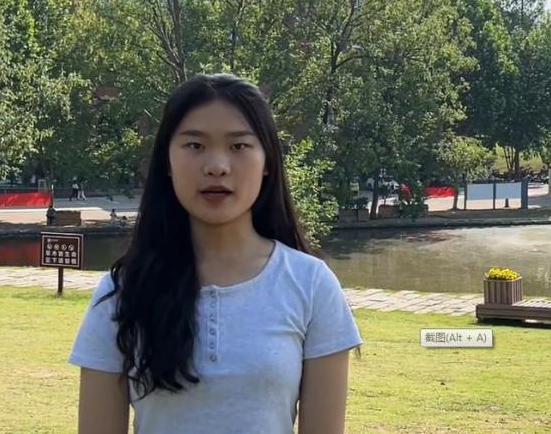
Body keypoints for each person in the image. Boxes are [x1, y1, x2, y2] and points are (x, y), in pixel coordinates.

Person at [69, 74, 362, 434]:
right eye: (195, 145)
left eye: (239, 146)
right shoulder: (124, 292)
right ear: (167, 161)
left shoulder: (311, 285)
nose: (217, 166)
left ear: (268, 162)